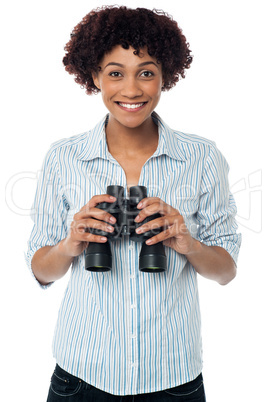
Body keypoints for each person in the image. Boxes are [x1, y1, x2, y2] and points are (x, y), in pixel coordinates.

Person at [26, 6, 241, 402]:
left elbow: (226, 271)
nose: (131, 89)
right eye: (114, 73)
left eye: (146, 72)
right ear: (93, 76)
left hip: (172, 375)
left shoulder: (202, 157)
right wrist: (71, 243)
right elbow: (40, 270)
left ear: (165, 77)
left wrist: (186, 242)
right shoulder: (63, 157)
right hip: (82, 374)